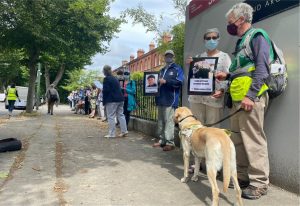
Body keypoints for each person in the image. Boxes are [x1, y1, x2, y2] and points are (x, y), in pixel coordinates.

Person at [215, 2, 271, 200]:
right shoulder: (242, 42)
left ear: (240, 20)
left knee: (253, 140)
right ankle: (243, 176)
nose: (229, 26)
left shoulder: (257, 36)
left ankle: (259, 183)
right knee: (238, 139)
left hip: (250, 98)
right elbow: (242, 71)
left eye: (230, 22)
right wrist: (227, 76)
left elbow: (262, 69)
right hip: (238, 98)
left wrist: (251, 95)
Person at [187, 28, 231, 173]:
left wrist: (223, 90)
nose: (211, 40)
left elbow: (228, 76)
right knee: (197, 132)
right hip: (197, 99)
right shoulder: (199, 57)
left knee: (213, 132)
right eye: (208, 38)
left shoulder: (224, 57)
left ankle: (213, 165)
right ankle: (198, 164)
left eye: (214, 37)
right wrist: (192, 65)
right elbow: (193, 77)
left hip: (213, 99)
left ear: (218, 39)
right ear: (204, 40)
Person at [153, 50, 184, 151]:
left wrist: (166, 81)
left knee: (169, 121)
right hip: (161, 98)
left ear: (173, 57)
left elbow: (180, 82)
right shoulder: (162, 70)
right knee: (161, 121)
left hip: (171, 99)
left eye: (170, 56)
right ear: (164, 57)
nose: (168, 58)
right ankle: (162, 141)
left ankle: (170, 143)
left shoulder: (177, 68)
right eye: (167, 56)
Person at [102, 65, 128, 138]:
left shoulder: (106, 79)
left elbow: (106, 91)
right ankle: (124, 131)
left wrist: (103, 100)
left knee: (111, 116)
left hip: (112, 100)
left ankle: (111, 134)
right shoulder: (115, 78)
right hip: (120, 99)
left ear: (104, 71)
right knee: (121, 115)